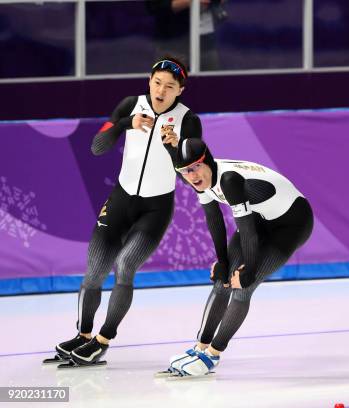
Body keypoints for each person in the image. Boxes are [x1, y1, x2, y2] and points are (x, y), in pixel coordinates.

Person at [48, 56, 203, 367]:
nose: (161, 90)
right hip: (121, 200)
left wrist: (177, 148)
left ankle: (103, 339)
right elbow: (97, 147)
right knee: (93, 272)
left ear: (180, 90)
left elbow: (194, 173)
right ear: (149, 81)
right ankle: (84, 335)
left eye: (169, 87)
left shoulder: (188, 120)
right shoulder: (130, 104)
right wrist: (123, 124)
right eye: (157, 83)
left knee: (125, 264)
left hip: (155, 208)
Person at [161, 138, 313, 377]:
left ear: (207, 161)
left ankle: (213, 354)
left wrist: (249, 269)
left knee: (243, 287)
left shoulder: (229, 180)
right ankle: (200, 346)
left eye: (196, 167)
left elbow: (248, 232)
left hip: (291, 225)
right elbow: (214, 221)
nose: (192, 176)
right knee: (222, 281)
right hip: (259, 219)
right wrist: (221, 262)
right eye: (185, 171)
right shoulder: (196, 177)